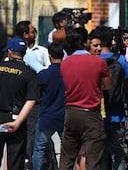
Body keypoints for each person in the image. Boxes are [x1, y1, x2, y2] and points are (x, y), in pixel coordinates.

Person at [59, 27, 112, 170]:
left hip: (71, 112)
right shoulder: (98, 62)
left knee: (67, 156)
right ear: (85, 43)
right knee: (93, 159)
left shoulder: (65, 63)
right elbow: (107, 85)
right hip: (90, 113)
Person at [0, 37, 38, 170]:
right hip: (17, 119)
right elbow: (31, 101)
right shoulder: (30, 73)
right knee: (15, 161)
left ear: (10, 52)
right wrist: (17, 123)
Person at [92, 26, 128, 170]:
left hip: (95, 114)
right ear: (112, 40)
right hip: (117, 113)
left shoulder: (92, 60)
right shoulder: (120, 60)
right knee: (117, 152)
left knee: (97, 153)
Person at [15, 20, 47, 170]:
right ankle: (27, 162)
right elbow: (41, 72)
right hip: (29, 97)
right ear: (25, 35)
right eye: (32, 31)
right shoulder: (26, 53)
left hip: (17, 96)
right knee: (30, 131)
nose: (35, 33)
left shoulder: (12, 49)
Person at [31, 42, 65, 170]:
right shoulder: (68, 73)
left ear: (49, 56)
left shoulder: (43, 75)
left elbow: (36, 94)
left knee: (39, 149)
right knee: (68, 150)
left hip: (47, 116)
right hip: (64, 116)